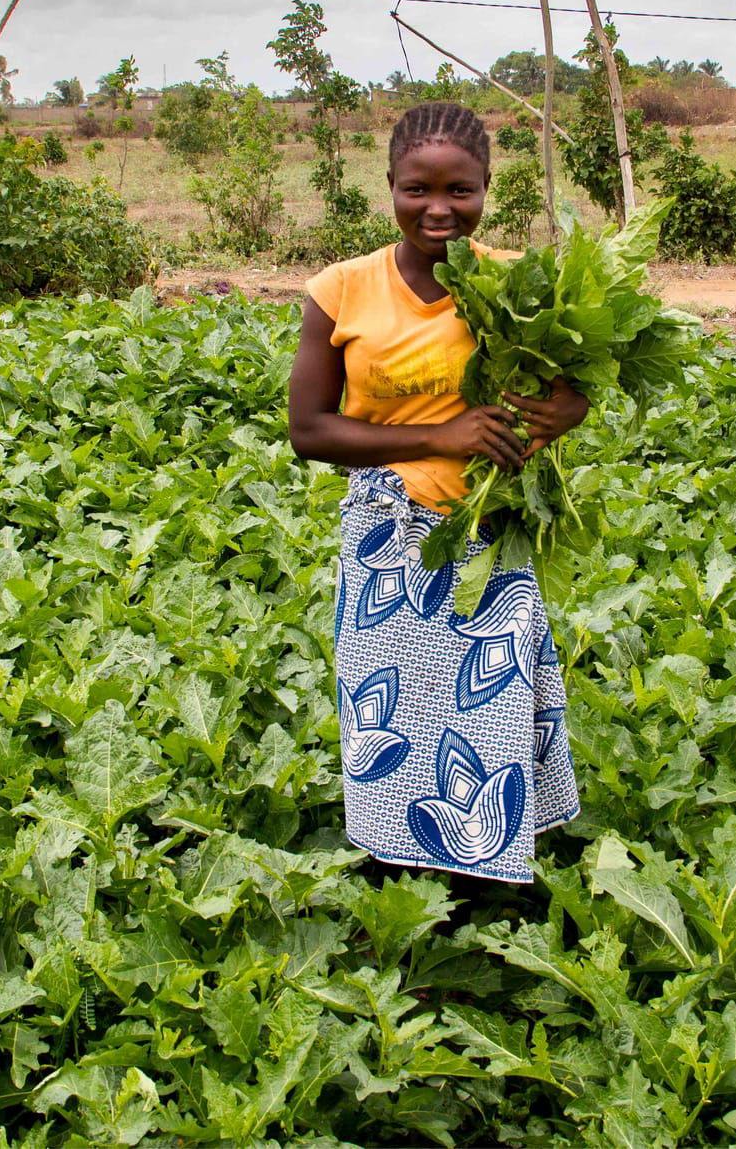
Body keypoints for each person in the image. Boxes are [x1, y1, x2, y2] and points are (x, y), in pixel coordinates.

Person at [287, 101, 587, 885]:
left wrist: (566, 409)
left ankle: (489, 874)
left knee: (487, 715)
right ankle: (394, 866)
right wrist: (442, 435)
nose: (440, 209)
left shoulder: (516, 282)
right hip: (387, 536)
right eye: (418, 189)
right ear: (390, 187)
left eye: (462, 191)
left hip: (493, 530)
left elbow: (575, 378)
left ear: (488, 189)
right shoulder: (341, 291)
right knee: (387, 711)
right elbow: (310, 431)